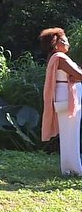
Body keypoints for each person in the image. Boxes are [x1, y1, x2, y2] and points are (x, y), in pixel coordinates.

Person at [40, 27, 82, 176]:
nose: (68, 43)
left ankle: (69, 168)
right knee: (71, 134)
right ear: (55, 43)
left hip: (64, 98)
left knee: (68, 134)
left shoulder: (55, 57)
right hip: (67, 99)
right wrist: (76, 76)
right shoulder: (60, 57)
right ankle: (74, 169)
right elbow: (79, 75)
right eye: (64, 41)